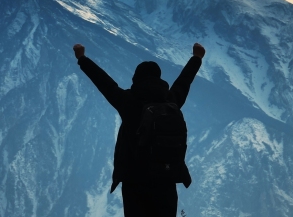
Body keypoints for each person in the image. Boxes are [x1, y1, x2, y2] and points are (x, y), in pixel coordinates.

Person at [73, 42, 205, 216]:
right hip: (166, 178)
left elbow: (104, 82)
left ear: (136, 79)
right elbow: (184, 81)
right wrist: (197, 58)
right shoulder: (171, 101)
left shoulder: (128, 102)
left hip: (134, 180)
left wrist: (82, 58)